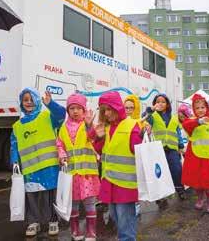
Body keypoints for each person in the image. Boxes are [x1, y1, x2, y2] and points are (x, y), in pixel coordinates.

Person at [10, 88, 66, 237]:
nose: (29, 102)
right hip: (29, 168)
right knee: (31, 195)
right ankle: (32, 222)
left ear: (37, 100)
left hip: (48, 166)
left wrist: (51, 104)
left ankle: (52, 220)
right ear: (21, 103)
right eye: (25, 100)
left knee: (49, 195)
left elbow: (61, 115)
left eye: (31, 99)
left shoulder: (47, 116)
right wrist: (15, 161)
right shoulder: (17, 126)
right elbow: (14, 145)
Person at [89, 91, 142, 241]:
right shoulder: (105, 127)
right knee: (115, 218)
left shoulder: (133, 125)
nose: (106, 113)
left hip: (126, 184)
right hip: (109, 181)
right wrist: (98, 138)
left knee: (125, 221)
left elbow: (137, 150)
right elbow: (101, 150)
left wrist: (142, 136)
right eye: (104, 110)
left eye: (109, 109)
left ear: (117, 107)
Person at [56, 93, 100, 241]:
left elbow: (93, 137)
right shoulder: (63, 128)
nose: (75, 111)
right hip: (72, 174)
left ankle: (91, 231)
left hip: (87, 173)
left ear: (84, 109)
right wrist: (61, 155)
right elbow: (60, 144)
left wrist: (88, 125)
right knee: (73, 203)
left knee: (89, 203)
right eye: (72, 108)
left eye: (78, 108)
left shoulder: (87, 125)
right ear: (68, 111)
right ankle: (74, 230)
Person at [144, 94, 186, 207]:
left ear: (167, 104)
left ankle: (180, 189)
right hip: (158, 149)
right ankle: (161, 196)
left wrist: (181, 146)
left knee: (177, 170)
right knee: (160, 172)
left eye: (163, 102)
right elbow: (144, 117)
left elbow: (178, 133)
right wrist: (150, 110)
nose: (160, 104)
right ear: (154, 104)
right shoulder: (153, 116)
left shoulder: (174, 118)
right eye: (158, 102)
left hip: (172, 149)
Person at [124, 94, 148, 217]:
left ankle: (136, 205)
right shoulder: (121, 123)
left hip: (137, 160)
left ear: (136, 108)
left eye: (131, 108)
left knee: (136, 184)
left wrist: (145, 132)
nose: (128, 111)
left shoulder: (142, 123)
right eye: (126, 108)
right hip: (125, 161)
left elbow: (145, 143)